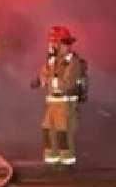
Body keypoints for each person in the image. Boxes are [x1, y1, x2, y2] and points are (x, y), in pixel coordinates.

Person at [30, 25, 88, 165]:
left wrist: (50, 80)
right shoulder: (53, 60)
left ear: (61, 43)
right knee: (48, 133)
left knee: (63, 134)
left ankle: (66, 165)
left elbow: (67, 84)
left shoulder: (73, 63)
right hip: (53, 105)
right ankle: (52, 163)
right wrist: (40, 79)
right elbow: (44, 76)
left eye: (54, 42)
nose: (51, 45)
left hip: (65, 105)